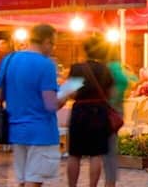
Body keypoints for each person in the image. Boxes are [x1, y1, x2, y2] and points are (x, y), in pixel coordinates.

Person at [0, 24, 64, 187]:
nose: (53, 48)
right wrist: (66, 95)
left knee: (22, 180)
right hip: (41, 130)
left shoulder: (9, 60)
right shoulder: (46, 64)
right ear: (47, 41)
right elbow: (50, 104)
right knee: (34, 180)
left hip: (16, 129)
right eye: (53, 44)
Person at [64, 39, 118, 187]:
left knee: (74, 153)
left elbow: (69, 93)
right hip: (99, 112)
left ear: (85, 50)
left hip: (80, 111)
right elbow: (112, 93)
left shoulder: (77, 68)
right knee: (96, 154)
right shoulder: (105, 69)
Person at [102, 48, 137, 187]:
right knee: (110, 148)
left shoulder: (106, 68)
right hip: (114, 111)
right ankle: (110, 183)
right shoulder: (118, 69)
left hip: (103, 110)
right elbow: (129, 82)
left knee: (98, 153)